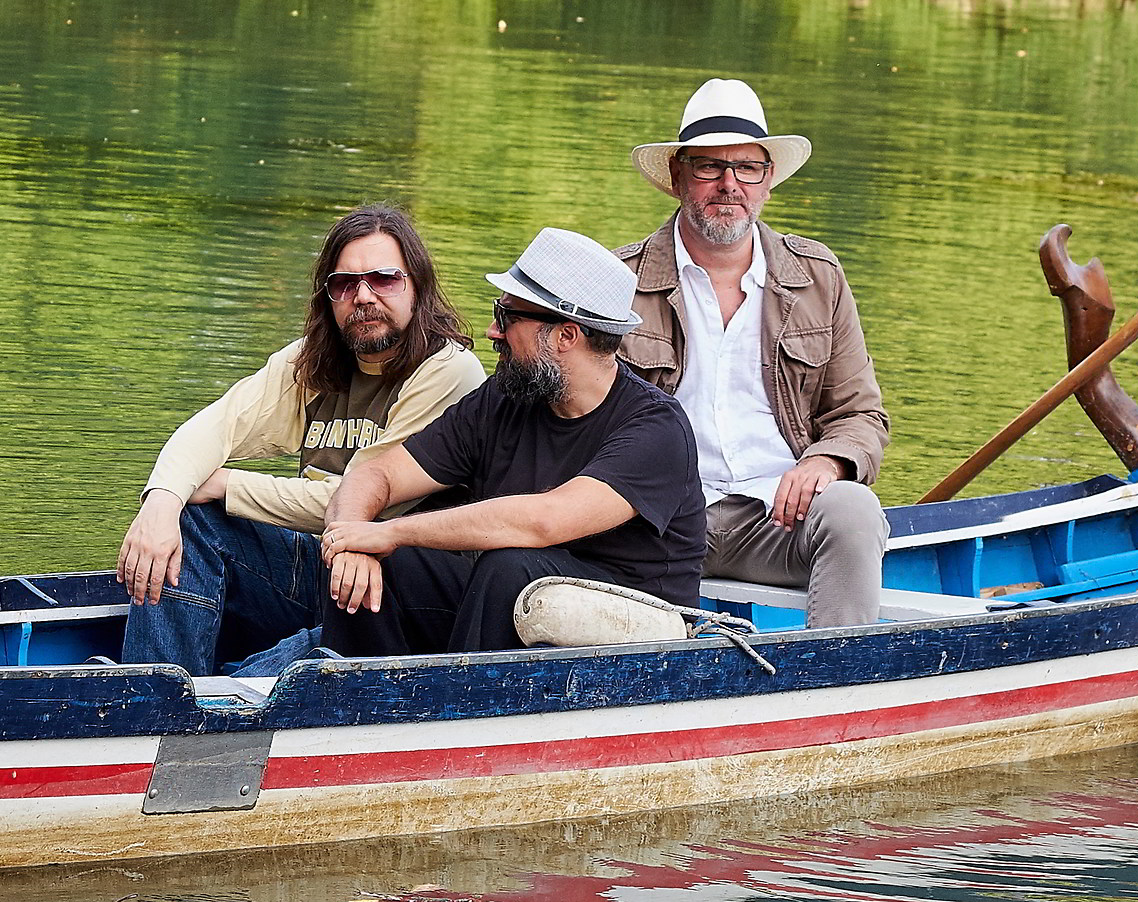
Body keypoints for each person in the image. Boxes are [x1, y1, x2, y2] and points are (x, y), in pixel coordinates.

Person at [117, 204, 486, 672]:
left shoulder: (448, 371)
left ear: (418, 286)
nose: (364, 296)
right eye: (344, 284)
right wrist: (160, 504)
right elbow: (214, 426)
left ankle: (206, 694)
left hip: (392, 590)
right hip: (320, 566)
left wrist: (228, 485)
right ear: (328, 297)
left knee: (311, 647)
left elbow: (362, 503)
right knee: (189, 519)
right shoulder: (311, 362)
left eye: (384, 279)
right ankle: (157, 691)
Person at [314, 227, 706, 656]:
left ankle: (464, 713)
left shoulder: (656, 429)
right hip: (514, 602)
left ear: (565, 335)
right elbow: (378, 472)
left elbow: (546, 520)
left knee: (510, 566)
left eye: (507, 317)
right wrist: (352, 540)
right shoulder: (505, 396)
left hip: (633, 630)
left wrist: (391, 531)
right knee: (388, 566)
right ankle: (358, 706)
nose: (491, 331)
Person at [614, 79, 891, 627]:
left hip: (778, 522)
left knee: (855, 509)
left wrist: (828, 459)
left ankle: (832, 689)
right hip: (654, 522)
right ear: (677, 177)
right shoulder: (616, 282)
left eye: (747, 168)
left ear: (768, 181)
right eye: (709, 167)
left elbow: (861, 414)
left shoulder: (818, 277)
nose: (729, 184)